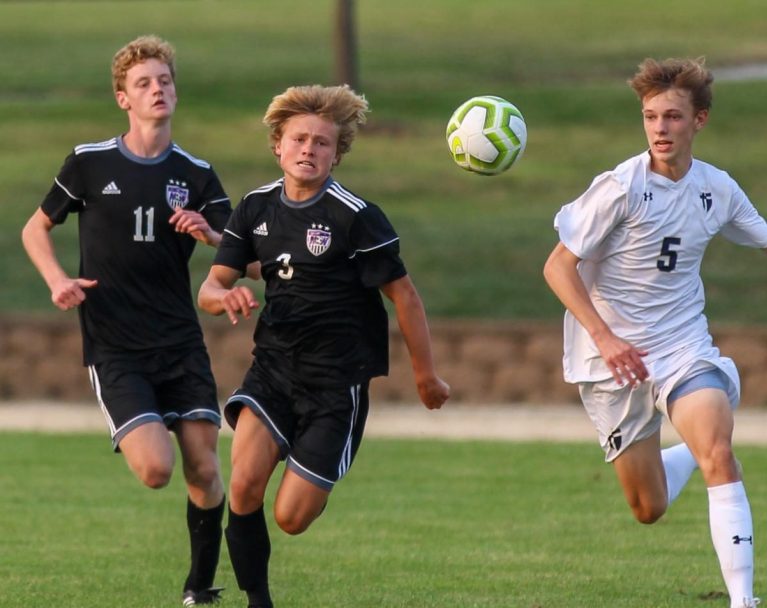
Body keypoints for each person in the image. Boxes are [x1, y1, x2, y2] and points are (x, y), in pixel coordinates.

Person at [543, 57, 767, 608]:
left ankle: (743, 600)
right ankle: (690, 454)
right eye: (651, 117)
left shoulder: (717, 189)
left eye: (673, 117)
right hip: (610, 360)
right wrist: (606, 338)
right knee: (647, 507)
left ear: (699, 120)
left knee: (719, 455)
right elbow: (558, 267)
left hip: (682, 348)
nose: (660, 129)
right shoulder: (619, 187)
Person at [197, 84, 450, 608]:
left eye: (321, 142)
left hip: (336, 383)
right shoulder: (255, 208)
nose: (308, 149)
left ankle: (314, 468)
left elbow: (405, 296)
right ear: (278, 146)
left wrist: (426, 375)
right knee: (242, 487)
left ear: (337, 154)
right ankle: (258, 602)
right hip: (272, 372)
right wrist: (227, 296)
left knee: (290, 518)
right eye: (299, 139)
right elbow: (209, 287)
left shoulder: (355, 216)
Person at [21, 35, 235, 606]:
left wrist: (212, 235)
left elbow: (247, 257)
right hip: (115, 347)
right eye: (144, 83)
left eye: (164, 80)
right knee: (156, 471)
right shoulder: (90, 163)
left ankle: (200, 589)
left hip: (181, 343)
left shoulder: (197, 174)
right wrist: (57, 281)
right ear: (123, 98)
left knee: (204, 470)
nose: (157, 89)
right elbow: (34, 228)